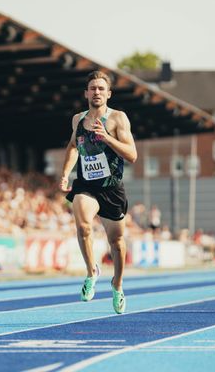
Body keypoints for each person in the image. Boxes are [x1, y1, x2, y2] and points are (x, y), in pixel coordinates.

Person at [59, 70, 137, 314]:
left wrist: (107, 138)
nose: (97, 92)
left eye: (101, 89)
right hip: (87, 184)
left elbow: (132, 155)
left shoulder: (118, 119)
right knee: (82, 226)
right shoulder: (78, 120)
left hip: (112, 188)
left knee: (117, 242)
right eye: (93, 88)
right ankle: (91, 271)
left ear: (108, 94)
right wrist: (65, 173)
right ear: (86, 93)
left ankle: (117, 285)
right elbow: (73, 146)